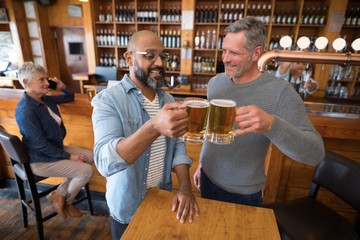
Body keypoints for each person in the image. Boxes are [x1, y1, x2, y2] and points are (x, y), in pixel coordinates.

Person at [193, 17, 325, 207]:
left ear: (256, 53)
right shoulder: (216, 83)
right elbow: (212, 130)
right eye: (224, 50)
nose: (225, 58)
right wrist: (202, 162)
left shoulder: (280, 92)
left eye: (234, 52)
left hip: (243, 194)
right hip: (207, 179)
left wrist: (272, 125)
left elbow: (315, 154)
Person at [91, 30, 199, 240]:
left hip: (163, 199)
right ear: (129, 58)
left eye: (163, 56)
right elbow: (104, 162)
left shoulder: (167, 98)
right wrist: (154, 127)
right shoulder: (107, 100)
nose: (159, 62)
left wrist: (185, 187)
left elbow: (177, 146)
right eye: (149, 56)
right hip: (127, 209)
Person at [15, 62, 94, 219]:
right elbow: (40, 145)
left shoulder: (45, 99)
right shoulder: (26, 111)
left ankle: (59, 194)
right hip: (40, 159)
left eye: (46, 78)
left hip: (54, 150)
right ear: (26, 83)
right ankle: (68, 200)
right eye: (41, 80)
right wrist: (69, 156)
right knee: (86, 171)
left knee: (91, 156)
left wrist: (62, 87)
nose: (46, 83)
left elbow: (69, 96)